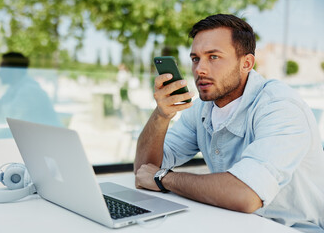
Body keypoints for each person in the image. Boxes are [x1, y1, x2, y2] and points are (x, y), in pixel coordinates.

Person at [134, 14, 324, 232]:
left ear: (246, 63)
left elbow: (246, 194)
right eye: (195, 59)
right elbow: (144, 171)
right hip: (234, 222)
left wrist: (165, 179)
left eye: (213, 57)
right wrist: (161, 116)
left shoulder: (279, 106)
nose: (199, 70)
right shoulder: (201, 108)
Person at [0, 52, 61, 126]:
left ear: (15, 71)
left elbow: (1, 116)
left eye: (3, 68)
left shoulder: (29, 90)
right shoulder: (13, 88)